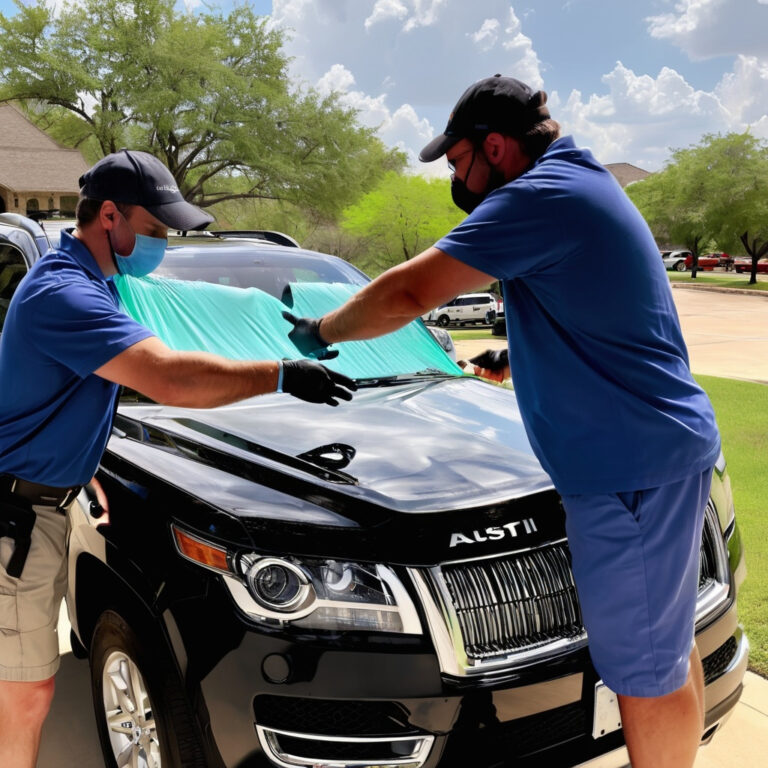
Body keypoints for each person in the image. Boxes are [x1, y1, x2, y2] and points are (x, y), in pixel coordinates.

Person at [283, 75, 720, 768]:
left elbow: (407, 290)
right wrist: (511, 358)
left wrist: (321, 331)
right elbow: (591, 315)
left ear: (496, 145)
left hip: (628, 472)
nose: (457, 179)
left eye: (458, 162)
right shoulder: (581, 183)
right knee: (665, 652)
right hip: (657, 452)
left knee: (643, 670)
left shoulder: (539, 197)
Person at [0, 149, 355, 768]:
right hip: (18, 524)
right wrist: (281, 374)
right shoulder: (63, 293)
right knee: (27, 694)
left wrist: (287, 325)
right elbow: (169, 379)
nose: (163, 243)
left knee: (27, 680)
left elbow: (193, 310)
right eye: (157, 229)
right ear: (109, 215)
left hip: (45, 504)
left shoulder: (100, 280)